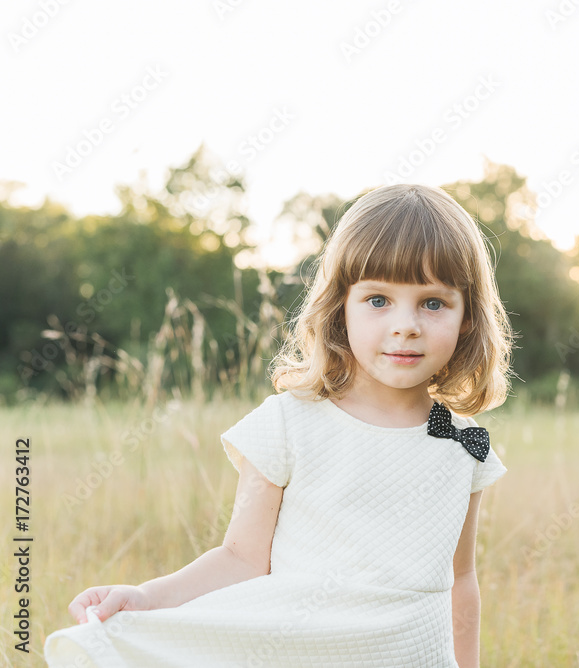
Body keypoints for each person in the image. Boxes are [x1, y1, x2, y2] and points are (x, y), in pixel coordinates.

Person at [43, 183, 514, 667]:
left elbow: (459, 580)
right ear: (340, 308)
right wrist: (145, 598)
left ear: (467, 319)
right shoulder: (292, 422)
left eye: (433, 303)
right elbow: (242, 559)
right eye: (378, 300)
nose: (406, 324)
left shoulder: (464, 442)